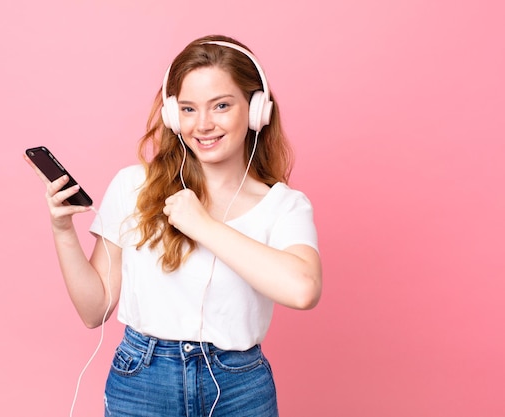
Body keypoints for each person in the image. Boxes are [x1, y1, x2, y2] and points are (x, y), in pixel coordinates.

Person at [25, 34, 322, 417]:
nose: (203, 124)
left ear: (256, 110)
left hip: (239, 387)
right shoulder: (134, 187)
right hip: (143, 380)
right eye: (188, 109)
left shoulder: (284, 206)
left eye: (221, 105)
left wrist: (203, 225)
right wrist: (63, 231)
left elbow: (303, 290)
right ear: (171, 114)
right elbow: (93, 310)